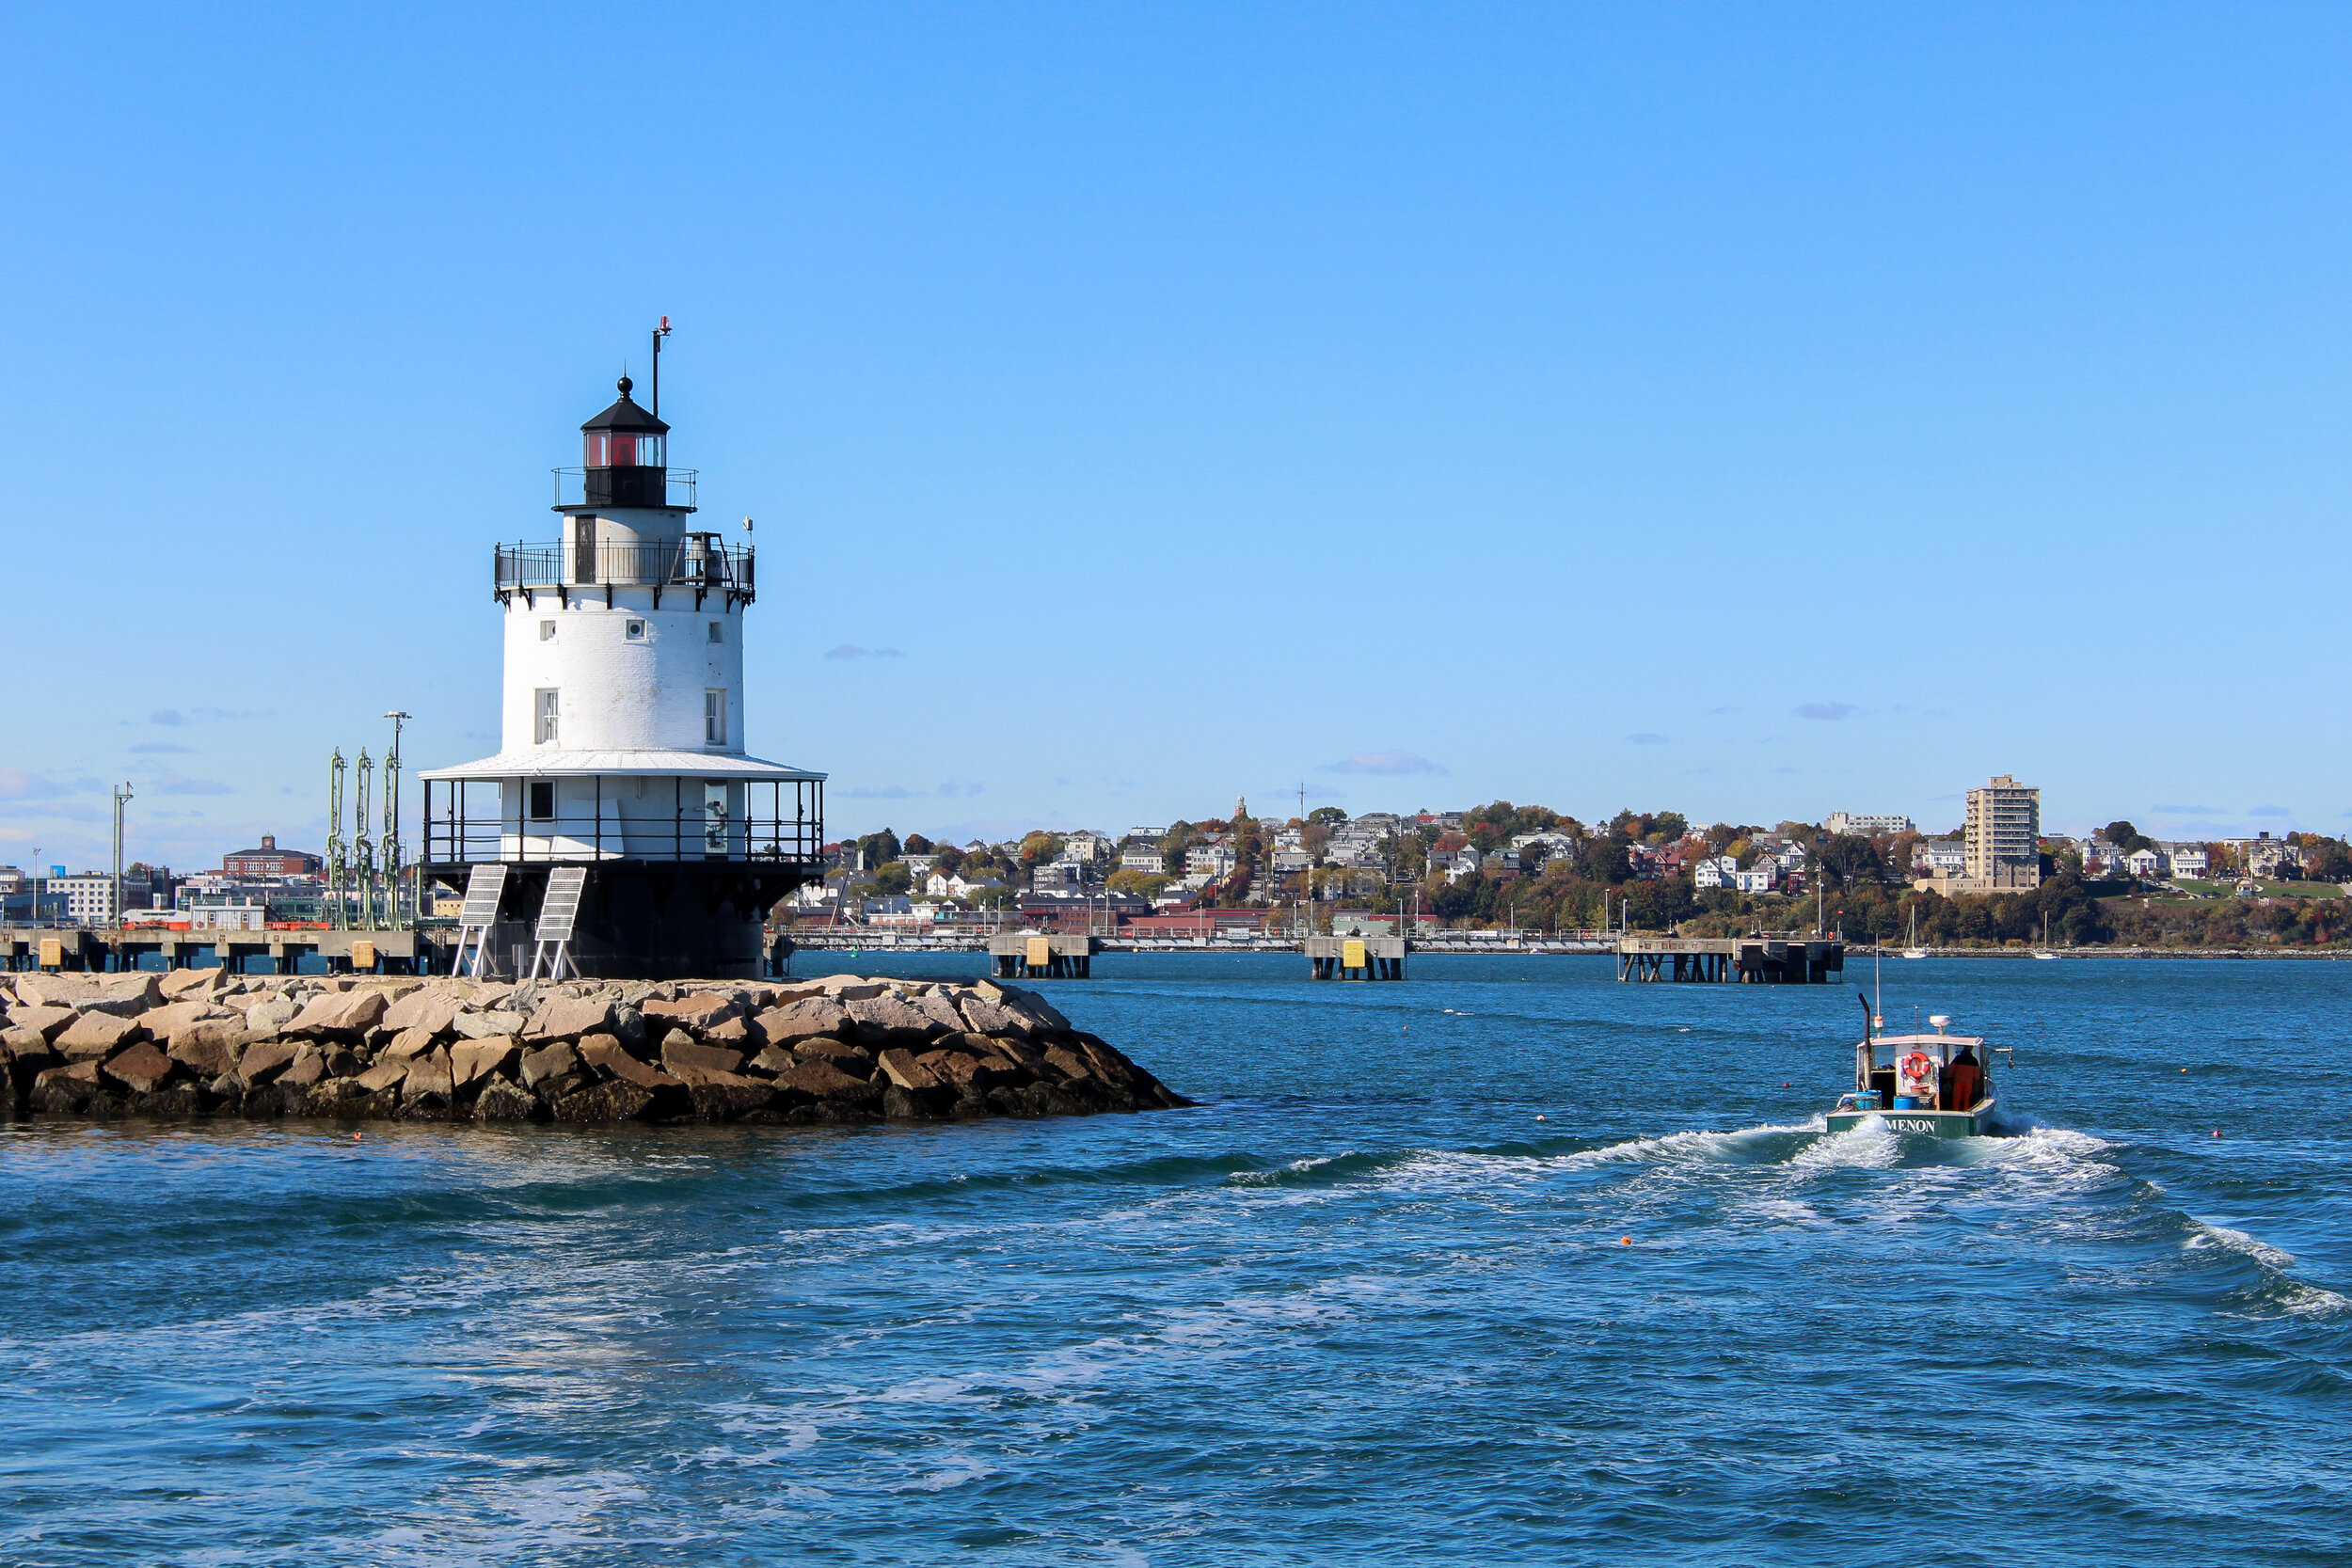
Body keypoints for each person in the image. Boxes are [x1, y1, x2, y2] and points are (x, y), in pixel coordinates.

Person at [1944, 1045, 1981, 1112]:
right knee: (1967, 1099)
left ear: (1964, 1048)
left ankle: (1955, 1113)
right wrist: (1976, 1081)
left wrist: (1949, 1078)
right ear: (1971, 1049)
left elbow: (1951, 1070)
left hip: (1958, 1081)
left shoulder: (1957, 1058)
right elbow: (1976, 1075)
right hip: (1969, 1083)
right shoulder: (1974, 1060)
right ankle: (1966, 1112)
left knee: (1956, 1099)